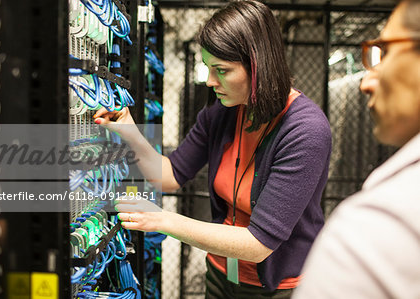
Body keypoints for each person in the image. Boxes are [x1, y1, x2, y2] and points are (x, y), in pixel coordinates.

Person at [94, 1, 332, 297]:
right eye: (209, 67)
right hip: (220, 275)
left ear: (259, 66)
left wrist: (161, 219)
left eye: (222, 70)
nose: (210, 81)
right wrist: (130, 131)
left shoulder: (305, 130)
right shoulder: (223, 111)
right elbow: (169, 175)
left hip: (279, 289)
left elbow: (258, 245)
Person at [292, 0, 420, 298]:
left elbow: (262, 240)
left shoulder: (373, 229)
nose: (367, 81)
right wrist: (155, 199)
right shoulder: (215, 116)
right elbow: (165, 173)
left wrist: (160, 216)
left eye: (384, 52)